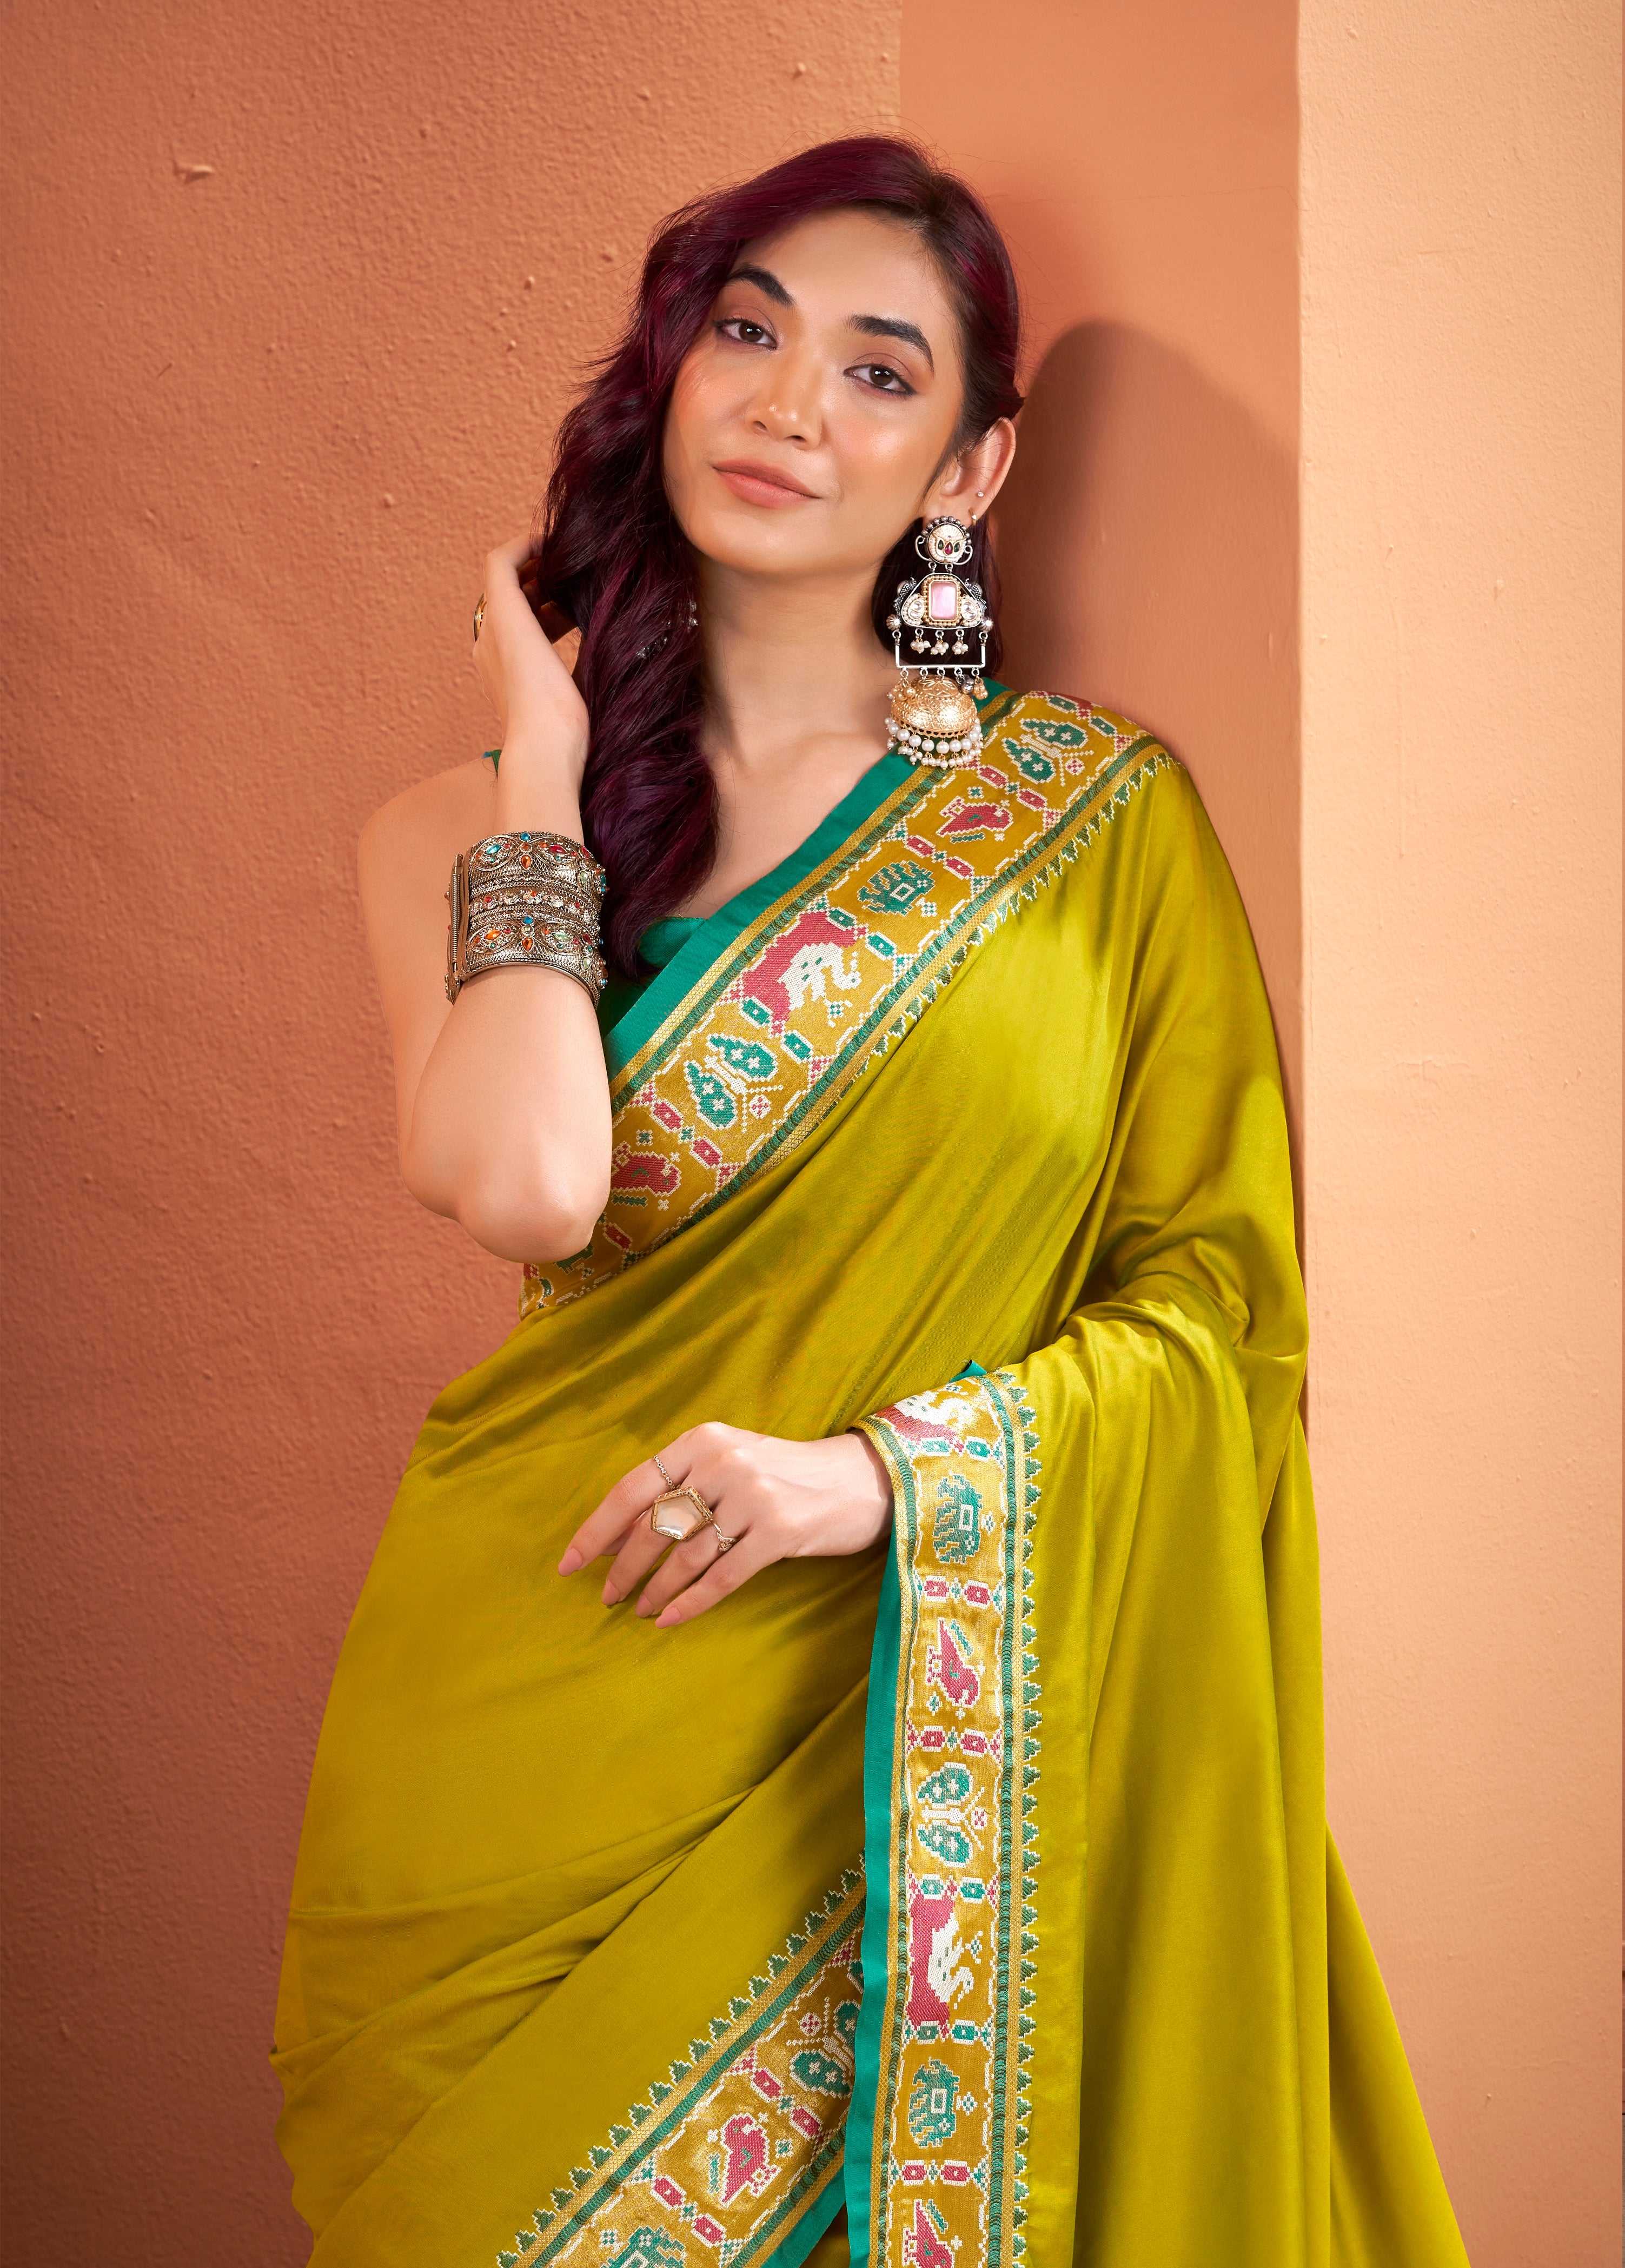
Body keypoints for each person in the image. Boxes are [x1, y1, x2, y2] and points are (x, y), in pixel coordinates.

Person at [272, 137, 1469, 2268]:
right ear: (664, 377)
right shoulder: (453, 827)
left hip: (895, 1743)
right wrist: (540, 764)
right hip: (535, 1712)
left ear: (972, 468)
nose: (788, 403)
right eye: (743, 331)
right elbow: (530, 1186)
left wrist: (881, 1479)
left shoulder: (1090, 830)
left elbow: (1217, 1309)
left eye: (877, 368)